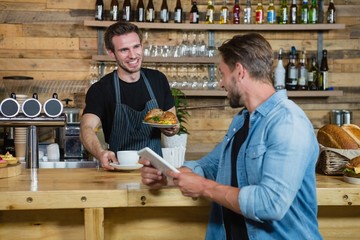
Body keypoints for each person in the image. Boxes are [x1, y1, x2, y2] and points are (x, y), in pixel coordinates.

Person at [140, 33, 322, 240]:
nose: (220, 83)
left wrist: (205, 188)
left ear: (240, 71)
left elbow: (270, 204)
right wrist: (168, 175)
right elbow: (212, 165)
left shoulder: (288, 123)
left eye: (222, 73)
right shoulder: (243, 120)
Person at [80, 22, 179, 170]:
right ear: (111, 53)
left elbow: (172, 120)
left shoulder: (158, 80)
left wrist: (172, 128)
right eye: (124, 50)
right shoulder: (101, 89)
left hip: (155, 172)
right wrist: (100, 153)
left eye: (136, 47)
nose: (133, 55)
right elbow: (86, 128)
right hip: (118, 170)